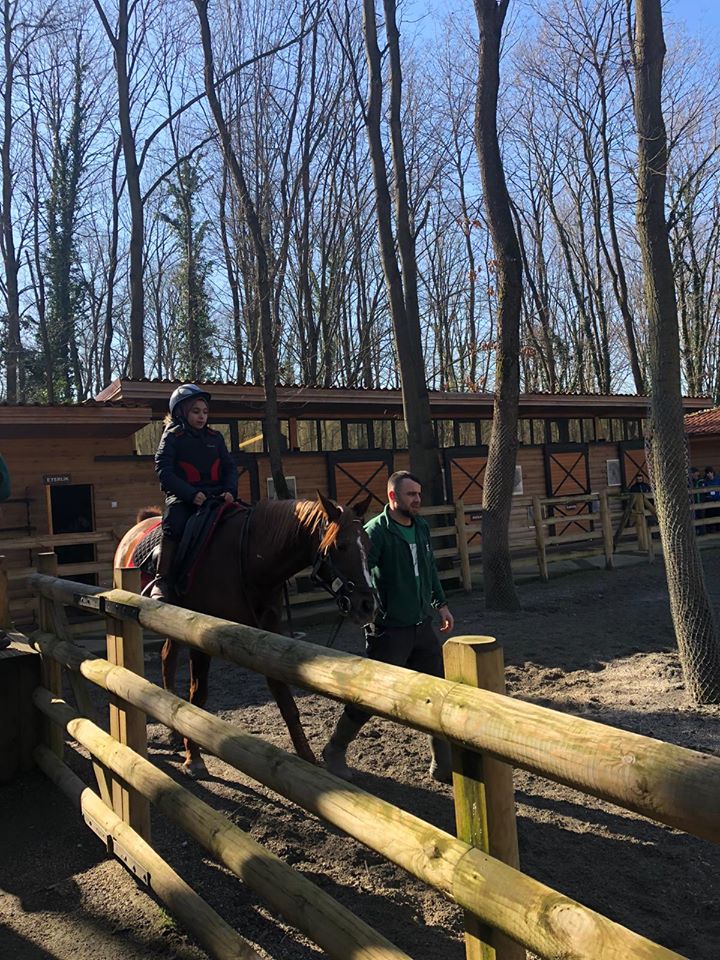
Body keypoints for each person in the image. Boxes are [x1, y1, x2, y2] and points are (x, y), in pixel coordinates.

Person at [322, 470, 455, 784]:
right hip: (390, 629)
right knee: (371, 696)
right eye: (411, 494)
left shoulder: (421, 527)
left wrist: (441, 603)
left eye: (419, 494)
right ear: (393, 497)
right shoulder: (376, 532)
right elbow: (360, 570)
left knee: (438, 691)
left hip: (422, 625)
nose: (417, 499)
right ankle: (335, 748)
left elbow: (429, 568)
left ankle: (443, 762)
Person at [152, 384, 237, 601]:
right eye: (196, 411)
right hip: (184, 498)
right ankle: (162, 580)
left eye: (205, 412)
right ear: (181, 411)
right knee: (173, 525)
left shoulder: (215, 437)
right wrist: (191, 494)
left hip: (216, 498)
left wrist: (229, 490)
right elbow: (164, 471)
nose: (201, 417)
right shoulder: (172, 436)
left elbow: (229, 467)